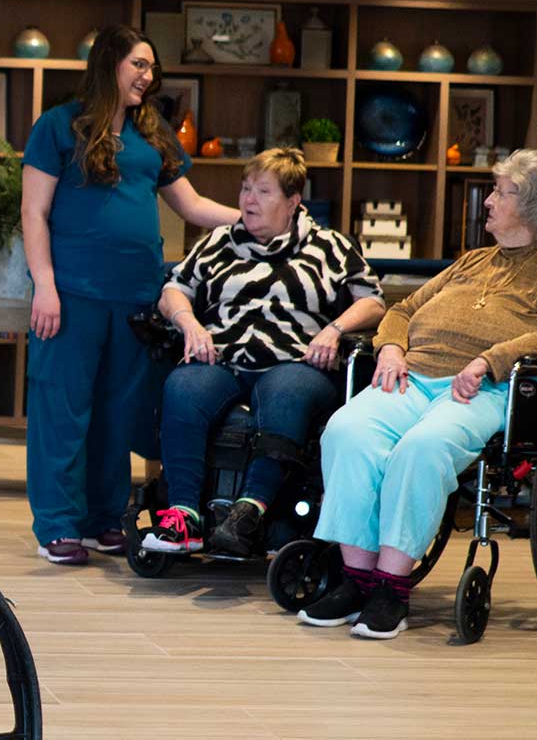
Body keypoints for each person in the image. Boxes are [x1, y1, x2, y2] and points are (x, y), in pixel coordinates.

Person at [300, 149, 537, 640]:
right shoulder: (471, 262)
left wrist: (490, 359)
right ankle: (356, 579)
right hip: (412, 377)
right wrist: (391, 347)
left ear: (536, 206)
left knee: (423, 447)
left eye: (502, 193)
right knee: (346, 430)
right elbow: (402, 309)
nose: (489, 201)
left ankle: (391, 589)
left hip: (484, 389)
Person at [20, 24, 239, 566]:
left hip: (138, 299)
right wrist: (44, 285)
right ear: (109, 63)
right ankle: (57, 525)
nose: (147, 75)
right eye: (139, 64)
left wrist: (255, 220)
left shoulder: (151, 130)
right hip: (71, 295)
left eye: (151, 67)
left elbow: (191, 205)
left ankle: (103, 519)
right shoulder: (58, 126)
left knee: (116, 414)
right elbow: (34, 211)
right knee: (63, 409)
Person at [142, 148, 385, 557]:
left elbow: (373, 301)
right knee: (183, 386)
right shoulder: (219, 242)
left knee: (287, 392)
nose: (249, 199)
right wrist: (190, 324)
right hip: (223, 357)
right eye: (245, 189)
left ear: (293, 202)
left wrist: (334, 330)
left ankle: (249, 512)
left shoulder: (329, 246)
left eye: (263, 191)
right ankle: (184, 515)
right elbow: (173, 290)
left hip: (296, 360)